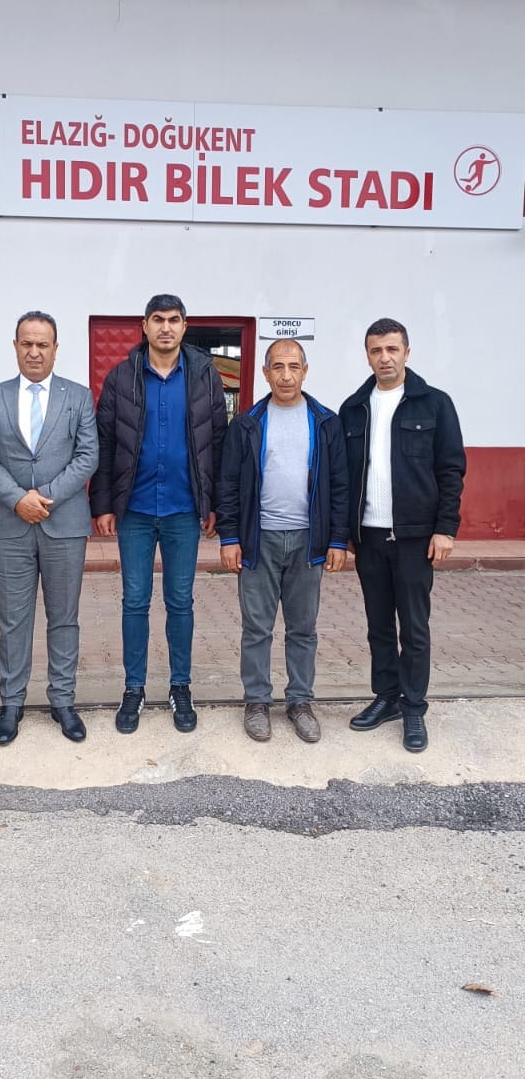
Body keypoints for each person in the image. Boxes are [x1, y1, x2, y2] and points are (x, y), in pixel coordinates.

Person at [89, 294, 228, 734]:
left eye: (173, 320)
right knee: (135, 600)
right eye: (157, 319)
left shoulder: (205, 375)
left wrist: (215, 503)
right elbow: (106, 442)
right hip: (135, 509)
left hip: (184, 509)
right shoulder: (121, 376)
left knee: (180, 600)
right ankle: (134, 688)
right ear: (144, 326)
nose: (165, 327)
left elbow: (218, 441)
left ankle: (180, 686)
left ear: (185, 326)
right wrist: (103, 503)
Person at [340, 318, 466, 753]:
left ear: (407, 353)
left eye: (392, 349)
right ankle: (387, 697)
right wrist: (345, 532)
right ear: (368, 355)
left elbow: (451, 469)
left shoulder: (435, 404)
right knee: (378, 625)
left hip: (414, 538)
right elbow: (345, 476)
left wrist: (445, 528)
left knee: (413, 628)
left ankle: (413, 707)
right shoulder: (354, 407)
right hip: (369, 537)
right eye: (376, 350)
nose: (385, 358)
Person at [0, 311, 98, 746]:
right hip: (11, 526)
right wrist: (17, 499)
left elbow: (88, 456)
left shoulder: (78, 397)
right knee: (13, 620)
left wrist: (42, 496)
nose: (34, 352)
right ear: (15, 346)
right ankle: (11, 703)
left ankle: (62, 700)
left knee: (64, 619)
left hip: (63, 524)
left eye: (42, 344)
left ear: (55, 349)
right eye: (26, 343)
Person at [217, 339, 349, 743]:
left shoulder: (325, 422)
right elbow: (228, 484)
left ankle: (300, 702)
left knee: (303, 629)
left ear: (305, 372)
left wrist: (337, 540)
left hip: (309, 541)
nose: (286, 375)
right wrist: (230, 537)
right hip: (260, 541)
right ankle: (257, 702)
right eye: (278, 367)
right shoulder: (247, 423)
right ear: (265, 373)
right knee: (256, 628)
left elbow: (340, 485)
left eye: (294, 367)